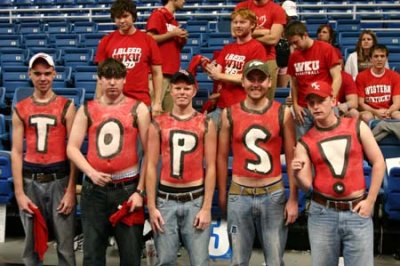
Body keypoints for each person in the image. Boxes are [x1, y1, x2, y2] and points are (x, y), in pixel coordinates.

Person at [292, 80, 385, 266]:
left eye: (321, 100)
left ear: (333, 100)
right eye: (311, 103)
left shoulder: (357, 127)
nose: (316, 107)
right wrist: (297, 175)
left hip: (357, 212)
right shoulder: (305, 141)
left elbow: (379, 162)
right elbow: (307, 186)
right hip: (322, 213)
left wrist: (371, 201)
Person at [67, 58, 150, 266]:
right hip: (94, 190)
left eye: (117, 77)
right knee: (92, 255)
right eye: (107, 78)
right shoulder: (87, 108)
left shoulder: (139, 108)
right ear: (100, 80)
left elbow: (151, 153)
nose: (112, 82)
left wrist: (140, 192)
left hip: (128, 190)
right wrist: (91, 172)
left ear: (124, 80)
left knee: (131, 255)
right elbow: (72, 147)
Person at [218, 60, 298, 265]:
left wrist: (293, 198)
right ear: (242, 82)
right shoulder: (228, 113)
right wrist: (222, 193)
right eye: (251, 79)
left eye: (260, 79)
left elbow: (291, 158)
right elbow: (220, 156)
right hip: (239, 193)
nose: (256, 84)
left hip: (273, 194)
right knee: (237, 261)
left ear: (270, 82)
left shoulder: (283, 112)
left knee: (275, 260)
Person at [11, 53, 76, 265]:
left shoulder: (67, 106)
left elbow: (73, 151)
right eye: (37, 73)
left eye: (47, 73)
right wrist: (19, 193)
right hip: (31, 180)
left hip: (60, 180)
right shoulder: (20, 108)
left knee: (66, 248)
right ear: (30, 74)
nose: (42, 78)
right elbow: (15, 152)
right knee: (31, 249)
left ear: (54, 74)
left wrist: (70, 191)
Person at [146, 69, 217, 265]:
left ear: (194, 91)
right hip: (165, 200)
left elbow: (211, 167)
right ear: (170, 90)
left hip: (195, 199)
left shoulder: (206, 122)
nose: (182, 92)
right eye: (178, 88)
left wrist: (207, 208)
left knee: (200, 261)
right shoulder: (158, 123)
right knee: (166, 260)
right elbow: (150, 166)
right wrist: (151, 207)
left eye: (187, 88)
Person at [95, 0, 163, 115]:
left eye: (125, 16)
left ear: (133, 16)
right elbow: (100, 77)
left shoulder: (148, 40)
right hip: (113, 102)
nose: (122, 21)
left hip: (140, 102)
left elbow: (157, 73)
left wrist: (157, 102)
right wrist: (99, 100)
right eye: (118, 17)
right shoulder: (106, 41)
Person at [204, 8, 267, 124]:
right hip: (222, 106)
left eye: (242, 22)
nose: (237, 25)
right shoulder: (228, 48)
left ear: (252, 25)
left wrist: (219, 75)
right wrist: (209, 68)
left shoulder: (257, 48)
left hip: (244, 108)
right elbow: (216, 70)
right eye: (235, 22)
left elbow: (251, 79)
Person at [285, 20, 341, 138]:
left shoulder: (326, 49)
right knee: (303, 146)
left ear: (305, 35)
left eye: (296, 42)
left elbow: (337, 77)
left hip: (324, 104)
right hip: (303, 108)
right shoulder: (294, 56)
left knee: (330, 142)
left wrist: (331, 101)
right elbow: (294, 84)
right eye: (292, 43)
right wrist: (295, 105)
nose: (295, 46)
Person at [235, 0, 287, 100]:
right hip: (243, 57)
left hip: (268, 59)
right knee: (241, 99)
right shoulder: (242, 6)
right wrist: (266, 31)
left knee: (265, 101)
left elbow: (273, 39)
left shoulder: (277, 10)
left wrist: (248, 36)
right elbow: (236, 33)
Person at [146, 0, 188, 113]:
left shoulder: (174, 22)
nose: (184, 1)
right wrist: (172, 34)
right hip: (158, 74)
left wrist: (182, 40)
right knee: (154, 114)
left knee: (169, 116)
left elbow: (171, 48)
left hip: (172, 75)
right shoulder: (158, 15)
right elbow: (149, 39)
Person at [356, 44, 400, 123]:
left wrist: (388, 111)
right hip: (371, 111)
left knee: (398, 115)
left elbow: (397, 102)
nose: (379, 59)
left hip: (389, 111)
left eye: (382, 56)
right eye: (376, 56)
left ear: (386, 58)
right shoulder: (361, 77)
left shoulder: (395, 76)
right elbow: (361, 103)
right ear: (370, 59)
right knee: (366, 116)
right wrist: (375, 111)